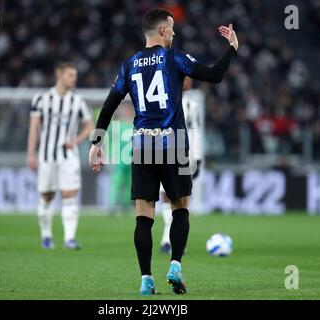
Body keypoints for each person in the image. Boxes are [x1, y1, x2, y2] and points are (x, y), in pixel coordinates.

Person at [89, 8, 238, 295]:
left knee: (144, 215)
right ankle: (175, 266)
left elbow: (109, 105)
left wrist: (97, 143)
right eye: (171, 28)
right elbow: (215, 75)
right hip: (174, 144)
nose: (174, 32)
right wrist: (232, 48)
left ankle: (146, 279)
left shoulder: (130, 64)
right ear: (161, 31)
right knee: (180, 206)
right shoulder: (174, 57)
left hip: (142, 145)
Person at [27, 62, 94, 250]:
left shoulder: (78, 101)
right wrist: (31, 154)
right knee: (47, 196)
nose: (74, 78)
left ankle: (69, 238)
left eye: (75, 75)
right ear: (60, 76)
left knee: (69, 195)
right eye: (71, 75)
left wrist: (76, 140)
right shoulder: (41, 98)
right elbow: (34, 128)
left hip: (68, 156)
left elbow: (90, 125)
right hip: (46, 155)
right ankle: (46, 236)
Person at [159, 76, 202, 254]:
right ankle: (169, 239)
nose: (190, 81)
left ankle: (170, 241)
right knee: (166, 196)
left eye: (191, 78)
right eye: (186, 78)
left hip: (186, 155)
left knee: (182, 200)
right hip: (165, 153)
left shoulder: (193, 106)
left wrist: (197, 158)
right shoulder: (163, 100)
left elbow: (196, 132)